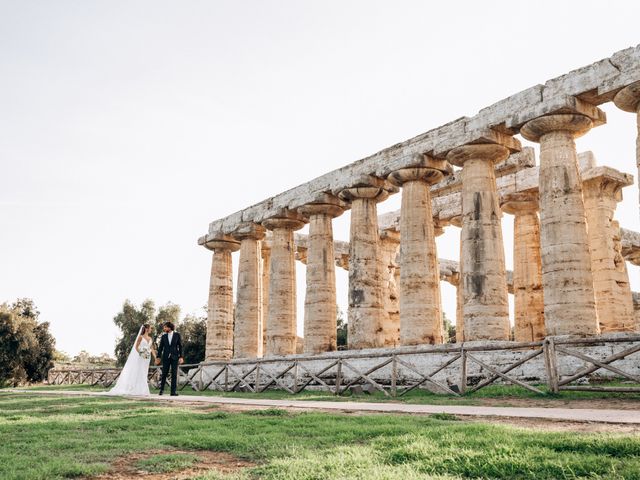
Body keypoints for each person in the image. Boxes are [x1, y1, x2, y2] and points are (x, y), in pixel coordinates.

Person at [107, 324, 156, 396]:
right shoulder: (140, 337)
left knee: (144, 372)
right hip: (141, 356)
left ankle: (143, 390)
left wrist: (155, 357)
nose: (151, 330)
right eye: (150, 328)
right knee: (140, 371)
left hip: (147, 358)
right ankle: (137, 389)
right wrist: (142, 354)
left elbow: (151, 348)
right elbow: (136, 347)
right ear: (146, 329)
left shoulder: (150, 338)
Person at [155, 321, 184, 396]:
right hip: (165, 357)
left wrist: (181, 357)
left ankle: (173, 392)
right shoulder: (164, 336)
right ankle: (161, 390)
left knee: (174, 374)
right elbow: (161, 347)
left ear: (169, 327)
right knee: (164, 373)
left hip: (175, 357)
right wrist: (158, 357)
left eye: (165, 327)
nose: (164, 329)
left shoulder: (177, 335)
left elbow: (180, 346)